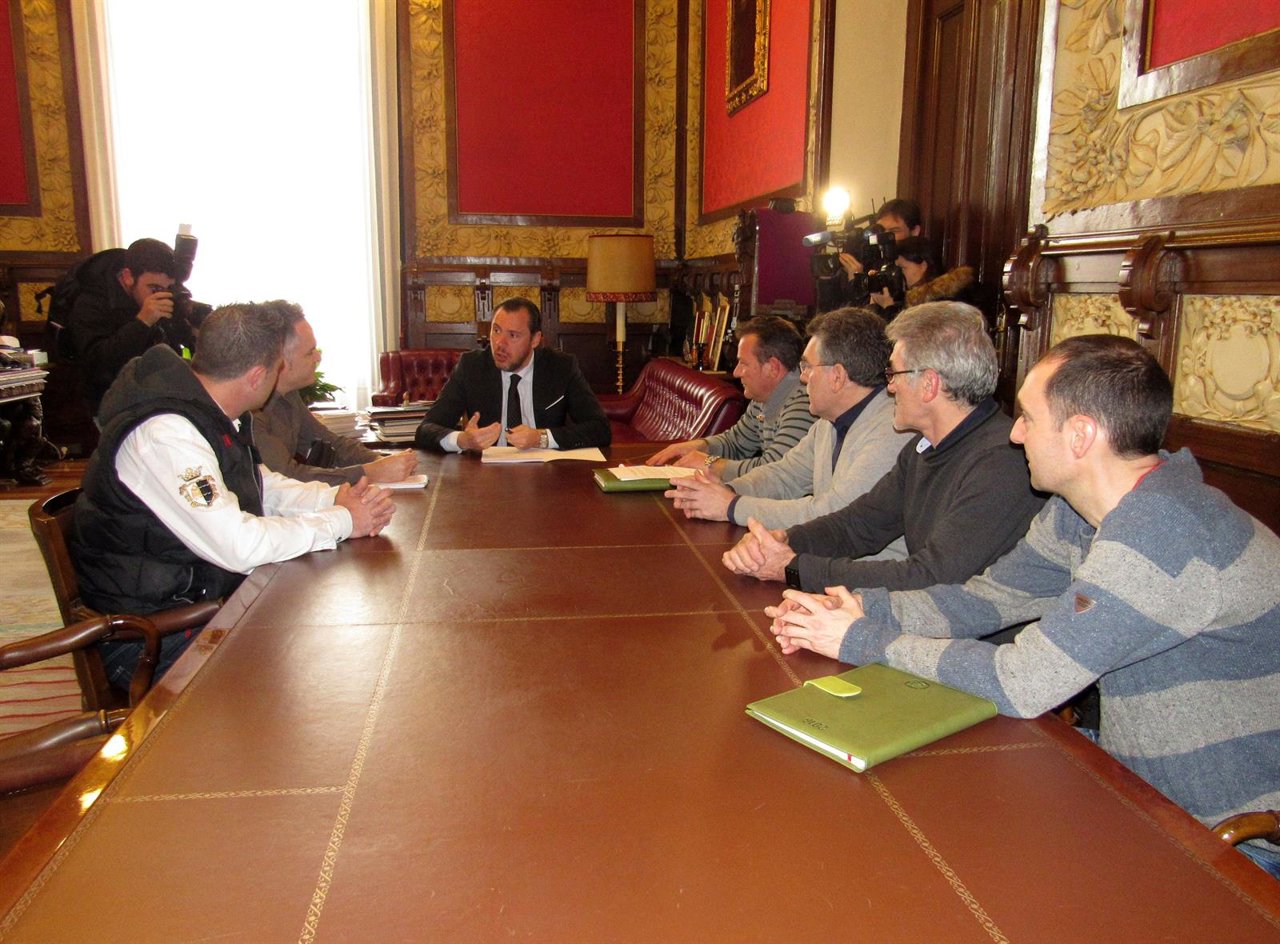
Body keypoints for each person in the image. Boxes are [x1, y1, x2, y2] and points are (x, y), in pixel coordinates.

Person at [765, 334, 1280, 879]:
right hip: (1132, 784)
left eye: (1029, 418)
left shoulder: (1163, 535)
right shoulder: (1081, 512)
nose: (1014, 433)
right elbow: (988, 598)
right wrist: (860, 609)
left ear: (1080, 435)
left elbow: (1021, 681)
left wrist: (859, 640)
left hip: (1223, 837)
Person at [72, 302, 396, 688]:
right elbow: (238, 546)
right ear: (257, 376)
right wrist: (343, 521)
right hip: (152, 638)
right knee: (325, 668)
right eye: (277, 368)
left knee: (332, 639)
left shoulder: (210, 413)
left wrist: (334, 499)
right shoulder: (165, 435)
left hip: (199, 606)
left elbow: (262, 486)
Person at [722, 301, 1043, 593]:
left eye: (894, 373)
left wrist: (793, 568)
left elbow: (932, 577)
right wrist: (782, 541)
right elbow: (859, 524)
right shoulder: (924, 447)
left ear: (930, 384)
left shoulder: (1000, 462)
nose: (888, 386)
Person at [665, 307, 912, 531]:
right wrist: (725, 491)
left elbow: (834, 514)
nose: (802, 378)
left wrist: (731, 506)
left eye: (807, 368)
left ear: (837, 376)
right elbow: (784, 476)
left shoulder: (890, 432)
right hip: (831, 563)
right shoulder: (829, 423)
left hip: (872, 576)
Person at [414, 297, 610, 453]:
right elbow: (426, 430)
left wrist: (541, 438)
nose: (500, 343)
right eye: (496, 331)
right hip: (488, 481)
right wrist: (462, 440)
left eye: (513, 335)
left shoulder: (561, 367)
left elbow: (600, 429)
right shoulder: (471, 367)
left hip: (547, 479)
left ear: (535, 340)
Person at [254, 301, 417, 485]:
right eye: (310, 353)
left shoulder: (289, 394)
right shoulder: (252, 410)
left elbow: (331, 443)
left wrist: (378, 459)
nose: (318, 357)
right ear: (280, 361)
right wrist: (368, 473)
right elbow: (286, 477)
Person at [647, 316, 814, 479]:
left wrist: (710, 463)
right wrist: (700, 446)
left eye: (743, 363)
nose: (736, 372)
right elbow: (736, 443)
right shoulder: (763, 398)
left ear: (772, 367)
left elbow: (774, 473)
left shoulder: (803, 404)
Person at [68, 237, 196, 414]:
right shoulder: (91, 302)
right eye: (154, 288)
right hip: (107, 406)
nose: (162, 295)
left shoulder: (165, 295)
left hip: (156, 398)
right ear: (128, 277)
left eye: (168, 288)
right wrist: (142, 322)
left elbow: (181, 345)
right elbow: (97, 364)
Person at [868, 235, 974, 319]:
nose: (897, 273)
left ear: (923, 266)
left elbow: (905, 340)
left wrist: (888, 307)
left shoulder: (942, 301)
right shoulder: (907, 296)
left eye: (902, 268)